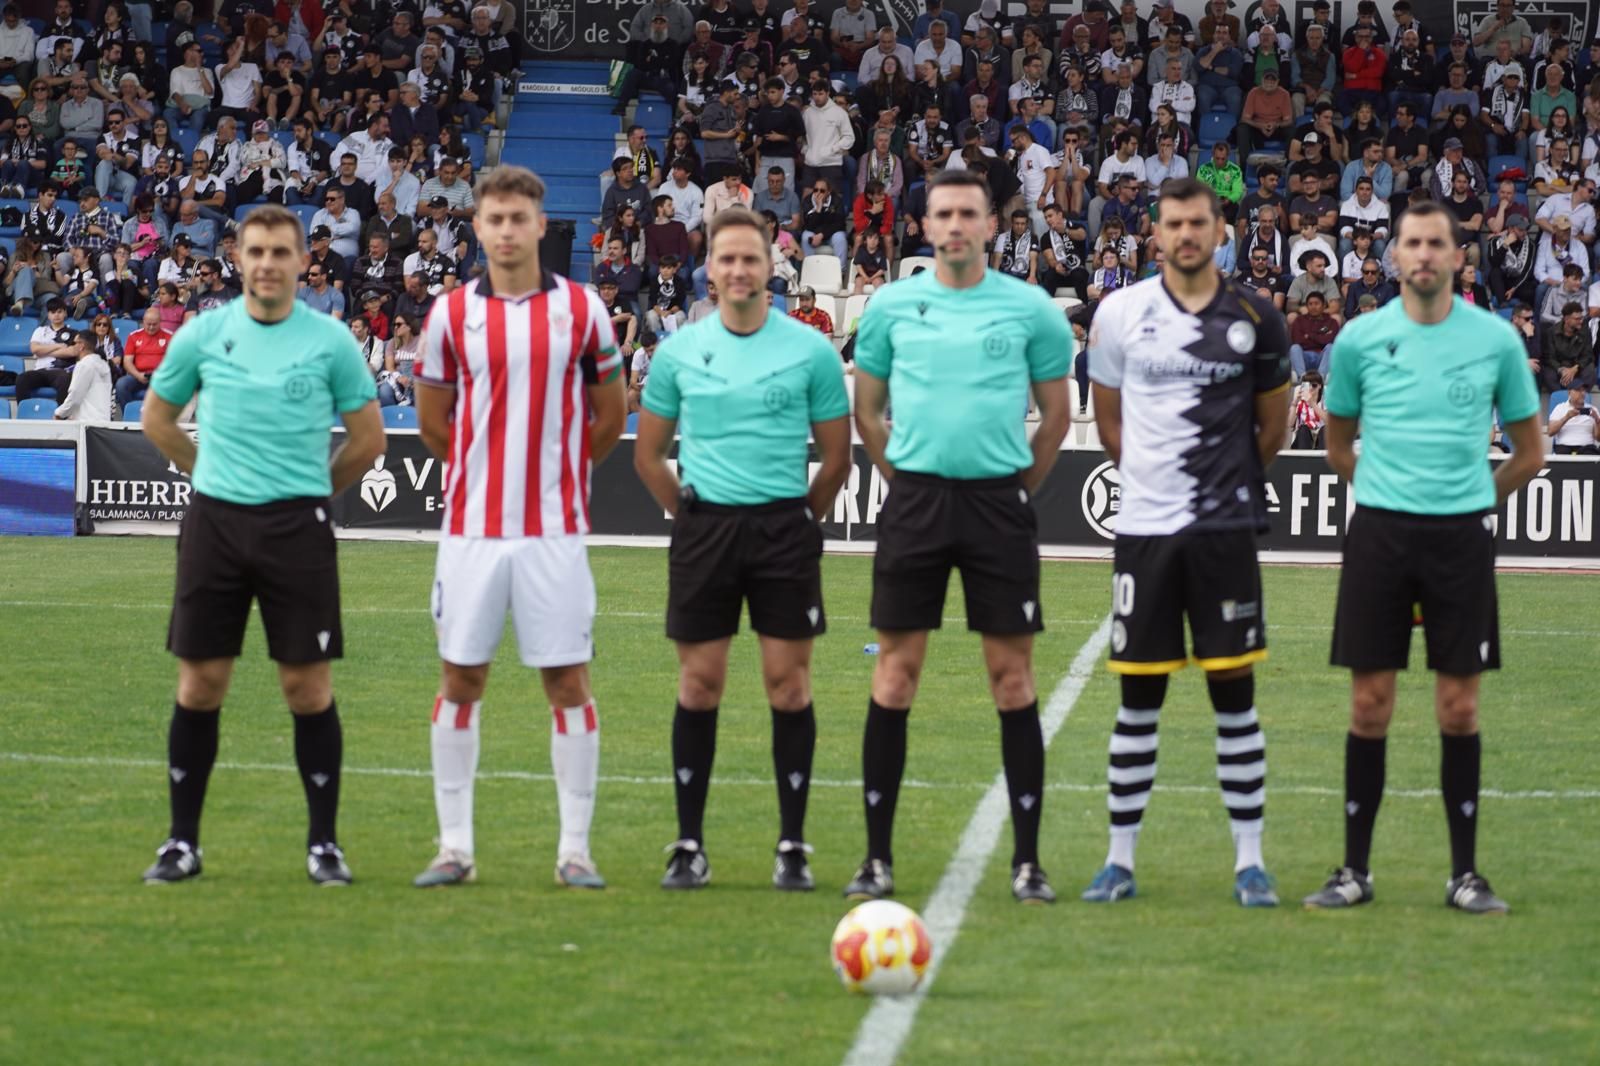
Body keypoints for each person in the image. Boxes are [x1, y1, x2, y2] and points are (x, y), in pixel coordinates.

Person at [1304, 201, 1545, 915]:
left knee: (1459, 708)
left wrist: (1470, 500)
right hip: (1379, 536)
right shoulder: (1360, 339)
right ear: (1396, 254)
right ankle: (1354, 871)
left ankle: (1465, 875)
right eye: (1413, 242)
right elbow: (1337, 445)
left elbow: (1530, 452)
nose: (1425, 254)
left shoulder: (1495, 340)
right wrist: (1388, 494)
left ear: (1458, 257)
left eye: (1438, 243)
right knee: (1369, 704)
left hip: (1459, 540)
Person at [137, 204, 385, 886]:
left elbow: (368, 441)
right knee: (200, 684)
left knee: (307, 687)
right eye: (256, 251)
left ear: (304, 261)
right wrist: (209, 475)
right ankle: (181, 843)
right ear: (238, 259)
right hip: (215, 525)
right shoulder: (204, 332)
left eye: (281, 252)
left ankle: (324, 845)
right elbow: (158, 418)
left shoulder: (330, 340)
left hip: (296, 530)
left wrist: (312, 491)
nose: (268, 263)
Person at [846, 169, 1073, 904]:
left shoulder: (1030, 309)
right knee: (895, 675)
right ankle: (876, 859)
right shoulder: (891, 305)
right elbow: (868, 411)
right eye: (942, 213)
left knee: (1012, 679)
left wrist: (1013, 489)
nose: (954, 225)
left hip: (997, 506)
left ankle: (1028, 862)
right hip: (915, 503)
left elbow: (1057, 416)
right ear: (925, 223)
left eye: (967, 214)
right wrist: (907, 480)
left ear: (990, 223)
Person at [411, 167, 626, 891]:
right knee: (460, 677)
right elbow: (434, 425)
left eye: (518, 218)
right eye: (495, 219)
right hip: (470, 530)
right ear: (477, 227)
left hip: (554, 532)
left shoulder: (582, 308)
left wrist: (556, 475)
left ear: (540, 225)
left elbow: (609, 417)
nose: (506, 230)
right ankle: (455, 849)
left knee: (567, 681)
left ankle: (575, 852)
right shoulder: (449, 314)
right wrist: (486, 474)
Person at [1081, 177, 1291, 908]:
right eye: (1173, 223)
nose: (1186, 234)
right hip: (1145, 531)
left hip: (1224, 531)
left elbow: (1273, 430)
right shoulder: (1120, 312)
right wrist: (1154, 483)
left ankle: (1251, 864)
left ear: (1219, 229)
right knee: (1138, 699)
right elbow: (1110, 425)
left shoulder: (1258, 316)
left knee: (1234, 698)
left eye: (1198, 222)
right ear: (1157, 232)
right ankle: (1118, 862)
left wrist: (1218, 485)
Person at [631, 205, 849, 893]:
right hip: (707, 529)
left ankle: (792, 844)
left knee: (789, 685)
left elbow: (837, 458)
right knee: (699, 684)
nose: (738, 269)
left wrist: (801, 520)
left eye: (750, 258)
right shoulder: (679, 351)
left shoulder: (810, 350)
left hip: (784, 529)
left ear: (769, 265)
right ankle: (689, 844)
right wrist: (692, 516)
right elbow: (648, 455)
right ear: (710, 268)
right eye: (726, 258)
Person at [115, 307, 170, 409]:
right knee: (121, 385)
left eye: (154, 324)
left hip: (160, 376)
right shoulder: (134, 336)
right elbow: (127, 362)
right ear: (143, 321)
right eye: (148, 324)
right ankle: (130, 414)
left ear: (160, 322)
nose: (151, 327)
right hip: (138, 375)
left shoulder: (169, 337)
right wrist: (138, 375)